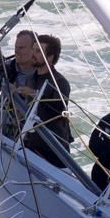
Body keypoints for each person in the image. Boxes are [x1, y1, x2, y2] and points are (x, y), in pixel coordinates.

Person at [21, 34, 74, 168]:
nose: (33, 54)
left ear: (50, 57)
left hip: (53, 152)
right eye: (33, 49)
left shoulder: (60, 82)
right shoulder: (31, 78)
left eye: (38, 51)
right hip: (31, 146)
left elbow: (57, 110)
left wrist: (34, 94)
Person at [0, 29, 40, 136]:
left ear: (34, 49)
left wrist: (18, 94)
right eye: (16, 47)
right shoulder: (7, 67)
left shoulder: (41, 75)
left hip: (22, 138)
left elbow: (42, 109)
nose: (17, 51)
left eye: (22, 48)